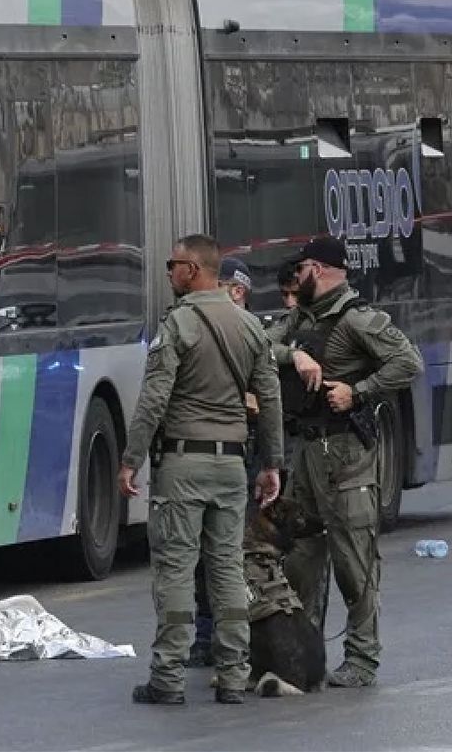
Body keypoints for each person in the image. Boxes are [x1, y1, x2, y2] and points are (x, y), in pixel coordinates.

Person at [119, 235, 283, 706]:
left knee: (175, 570)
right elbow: (268, 400)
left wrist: (131, 458)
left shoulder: (179, 326)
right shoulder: (250, 326)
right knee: (228, 569)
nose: (169, 272)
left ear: (192, 269)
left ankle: (167, 678)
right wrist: (272, 463)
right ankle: (234, 676)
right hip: (231, 464)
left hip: (182, 464)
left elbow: (154, 399)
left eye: (173, 264)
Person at [265, 235, 424, 689]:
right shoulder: (300, 320)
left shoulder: (358, 320)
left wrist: (359, 391)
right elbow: (257, 345)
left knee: (354, 561)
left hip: (347, 454)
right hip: (307, 453)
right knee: (301, 560)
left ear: (319, 268)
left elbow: (407, 362)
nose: (295, 278)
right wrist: (292, 353)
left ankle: (362, 659)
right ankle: (304, 653)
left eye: (301, 270)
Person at [186, 254, 265, 669]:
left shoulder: (249, 334)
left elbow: (268, 396)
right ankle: (210, 636)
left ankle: (226, 640)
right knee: (208, 553)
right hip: (220, 457)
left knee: (226, 554)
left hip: (236, 457)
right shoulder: (200, 327)